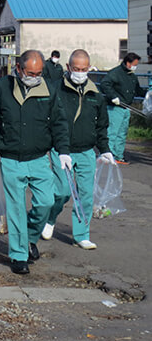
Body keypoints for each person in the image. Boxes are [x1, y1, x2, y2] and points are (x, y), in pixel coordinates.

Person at [0, 50, 70, 275]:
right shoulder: (0, 88)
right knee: (16, 209)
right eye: (31, 73)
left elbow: (59, 122)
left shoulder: (48, 89)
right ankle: (19, 255)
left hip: (40, 158)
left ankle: (29, 238)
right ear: (19, 69)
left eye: (39, 73)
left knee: (46, 202)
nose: (35, 77)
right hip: (11, 159)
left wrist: (64, 151)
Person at [41, 49, 115, 250]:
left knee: (85, 195)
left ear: (89, 68)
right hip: (60, 150)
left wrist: (105, 149)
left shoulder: (95, 95)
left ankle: (81, 235)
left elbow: (101, 126)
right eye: (76, 68)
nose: (80, 73)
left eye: (84, 69)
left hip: (85, 151)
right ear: (68, 67)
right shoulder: (56, 89)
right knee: (63, 191)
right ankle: (50, 218)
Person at [100, 52, 149, 165]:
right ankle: (108, 155)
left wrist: (147, 94)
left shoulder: (132, 76)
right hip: (115, 107)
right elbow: (104, 84)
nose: (135, 67)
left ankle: (118, 156)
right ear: (128, 63)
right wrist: (113, 97)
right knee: (113, 132)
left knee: (122, 133)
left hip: (126, 107)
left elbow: (138, 90)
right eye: (134, 64)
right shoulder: (116, 73)